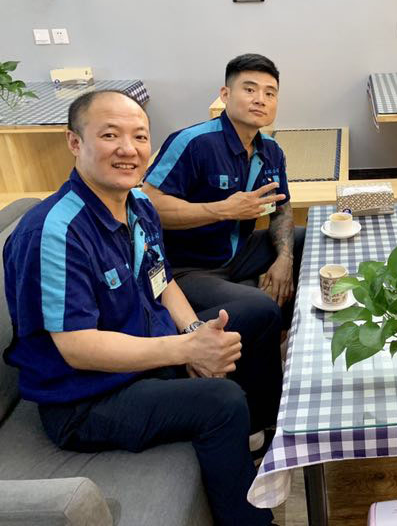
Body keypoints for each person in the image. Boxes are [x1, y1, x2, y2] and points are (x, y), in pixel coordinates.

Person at [2, 90, 280, 526]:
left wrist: (194, 334)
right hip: (87, 398)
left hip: (145, 353)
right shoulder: (54, 232)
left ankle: (260, 439)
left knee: (258, 314)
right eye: (110, 135)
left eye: (139, 136)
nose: (128, 149)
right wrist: (186, 351)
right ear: (75, 142)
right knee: (222, 401)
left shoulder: (140, 205)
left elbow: (163, 281)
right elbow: (77, 347)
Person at [142, 53, 303, 328]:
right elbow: (148, 206)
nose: (260, 99)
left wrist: (284, 260)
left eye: (270, 93)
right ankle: (265, 325)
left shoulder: (272, 151)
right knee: (261, 305)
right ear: (225, 94)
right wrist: (223, 210)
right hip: (186, 269)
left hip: (238, 253)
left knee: (307, 240)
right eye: (249, 89)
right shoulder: (193, 142)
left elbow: (281, 208)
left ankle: (286, 331)